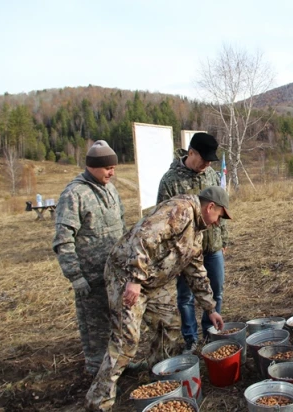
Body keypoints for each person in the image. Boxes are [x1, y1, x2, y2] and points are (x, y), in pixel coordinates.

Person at [85, 186, 229, 411]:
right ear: (210, 206)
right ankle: (98, 402)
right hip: (127, 277)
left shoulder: (196, 233)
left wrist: (210, 308)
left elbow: (196, 272)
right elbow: (144, 236)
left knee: (170, 326)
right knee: (126, 342)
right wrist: (134, 278)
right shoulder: (180, 210)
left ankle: (157, 376)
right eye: (219, 215)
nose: (218, 222)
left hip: (151, 283)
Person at [52, 140, 125, 375]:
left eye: (113, 167)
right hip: (90, 279)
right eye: (107, 168)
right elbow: (63, 239)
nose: (111, 172)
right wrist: (75, 276)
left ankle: (118, 366)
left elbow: (121, 226)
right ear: (92, 166)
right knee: (95, 330)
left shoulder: (111, 189)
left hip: (114, 274)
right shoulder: (74, 194)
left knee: (117, 324)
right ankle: (96, 372)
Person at [157, 132, 228, 354]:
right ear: (191, 153)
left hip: (212, 246)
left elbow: (221, 207)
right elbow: (162, 219)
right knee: (186, 296)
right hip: (184, 252)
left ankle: (210, 333)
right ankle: (191, 338)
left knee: (215, 292)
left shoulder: (212, 176)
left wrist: (223, 238)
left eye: (210, 160)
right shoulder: (171, 180)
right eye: (203, 159)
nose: (207, 164)